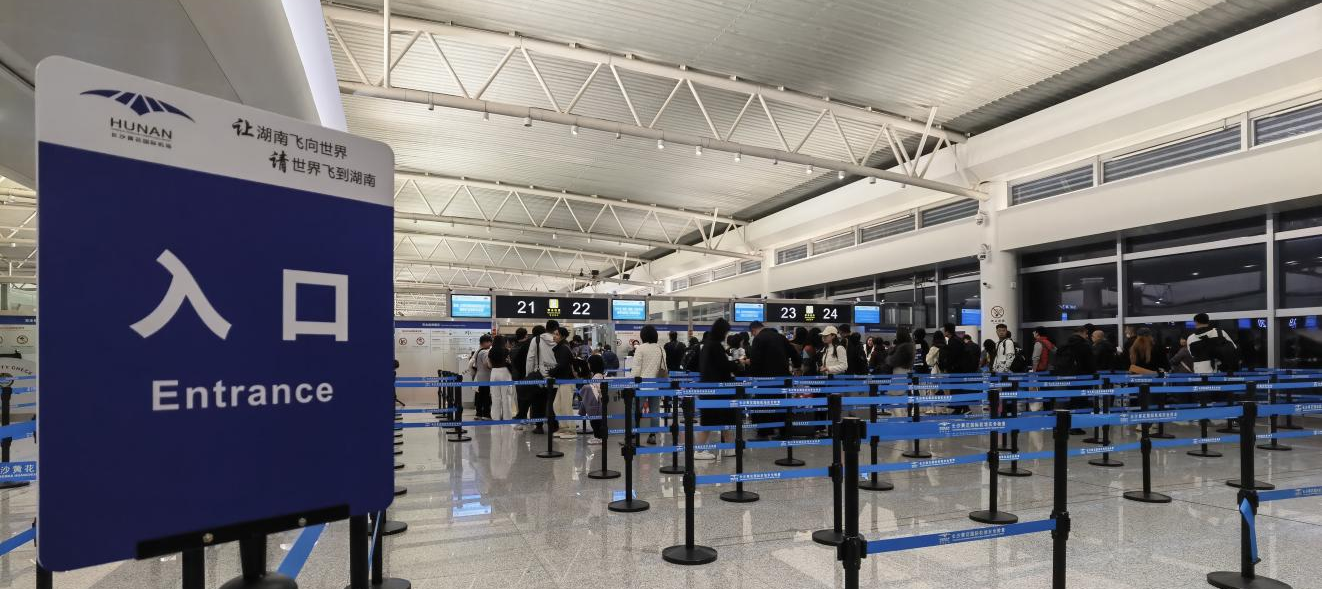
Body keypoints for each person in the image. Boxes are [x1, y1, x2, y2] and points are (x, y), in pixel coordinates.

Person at [696, 318, 737, 460]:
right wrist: (737, 365)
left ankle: (729, 448)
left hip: (710, 390)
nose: (726, 335)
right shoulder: (715, 346)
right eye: (725, 332)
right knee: (709, 422)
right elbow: (724, 366)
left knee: (724, 420)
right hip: (716, 391)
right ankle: (698, 451)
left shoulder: (707, 345)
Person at [630, 324, 669, 445]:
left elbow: (636, 369)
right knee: (655, 411)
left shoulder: (640, 348)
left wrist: (632, 384)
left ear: (643, 336)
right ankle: (652, 436)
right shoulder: (660, 349)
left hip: (641, 385)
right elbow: (664, 368)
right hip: (656, 385)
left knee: (635, 410)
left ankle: (633, 435)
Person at [526, 320, 560, 434]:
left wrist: (528, 374)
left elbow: (530, 358)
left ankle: (539, 426)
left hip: (538, 376)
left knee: (538, 402)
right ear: (556, 329)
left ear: (546, 328)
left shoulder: (536, 339)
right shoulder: (558, 340)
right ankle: (554, 425)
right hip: (554, 376)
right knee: (553, 402)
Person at [550, 327, 577, 439]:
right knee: (557, 405)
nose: (554, 336)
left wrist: (551, 372)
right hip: (562, 380)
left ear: (562, 336)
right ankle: (564, 427)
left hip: (567, 380)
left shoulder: (564, 348)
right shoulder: (561, 347)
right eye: (554, 334)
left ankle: (571, 430)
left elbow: (562, 364)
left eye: (556, 334)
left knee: (566, 406)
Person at [577, 355, 607, 445]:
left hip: (595, 404)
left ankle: (598, 437)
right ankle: (598, 436)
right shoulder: (600, 375)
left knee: (595, 422)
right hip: (599, 403)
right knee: (597, 422)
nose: (588, 365)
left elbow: (595, 390)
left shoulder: (596, 377)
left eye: (589, 363)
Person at [486, 336, 515, 421]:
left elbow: (489, 365)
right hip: (505, 372)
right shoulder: (506, 351)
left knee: (495, 396)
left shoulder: (491, 351)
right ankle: (507, 417)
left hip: (494, 372)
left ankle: (496, 417)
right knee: (506, 396)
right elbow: (510, 362)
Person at [472, 334, 493, 419]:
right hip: (486, 377)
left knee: (480, 396)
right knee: (486, 397)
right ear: (485, 342)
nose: (491, 344)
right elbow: (486, 364)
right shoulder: (485, 352)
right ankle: (486, 414)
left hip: (480, 376)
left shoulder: (478, 351)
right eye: (490, 342)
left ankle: (479, 414)